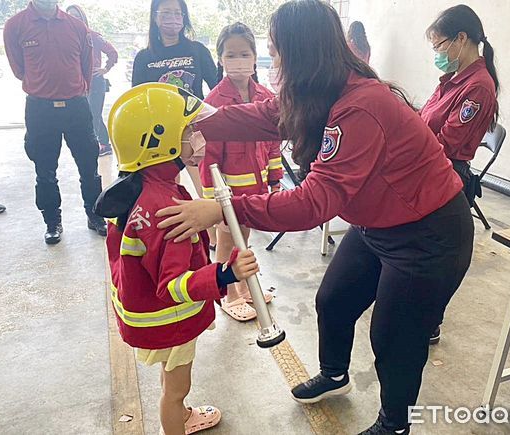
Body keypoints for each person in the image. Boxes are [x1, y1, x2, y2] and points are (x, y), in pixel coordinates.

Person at [155, 1, 474, 434]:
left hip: (427, 234)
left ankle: (395, 424)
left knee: (394, 338)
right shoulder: (320, 88)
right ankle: (335, 375)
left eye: (276, 49)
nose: (274, 59)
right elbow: (269, 116)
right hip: (378, 223)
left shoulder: (359, 105)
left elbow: (313, 203)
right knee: (334, 300)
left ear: (301, 50)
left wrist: (223, 209)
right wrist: (194, 123)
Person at [95, 82, 259, 435]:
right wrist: (226, 274)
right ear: (160, 140)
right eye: (190, 131)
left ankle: (180, 413)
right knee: (175, 390)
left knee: (170, 377)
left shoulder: (136, 189)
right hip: (168, 319)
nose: (198, 138)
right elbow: (172, 286)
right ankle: (176, 420)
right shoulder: (167, 209)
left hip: (144, 312)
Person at [419, 5, 499, 345]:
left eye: (439, 46)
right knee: (418, 250)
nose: (437, 54)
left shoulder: (478, 88)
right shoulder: (451, 80)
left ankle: (428, 321)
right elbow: (425, 121)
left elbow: (446, 144)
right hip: (429, 169)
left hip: (446, 178)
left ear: (461, 39)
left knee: (433, 257)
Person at [3, 0, 106, 245]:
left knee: (89, 166)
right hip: (40, 109)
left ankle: (95, 215)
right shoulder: (15, 25)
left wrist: (75, 93)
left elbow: (86, 65)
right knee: (45, 170)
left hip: (76, 107)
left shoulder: (76, 26)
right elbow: (18, 68)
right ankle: (52, 222)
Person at [199, 22, 282, 322]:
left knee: (243, 239)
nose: (238, 60)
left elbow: (274, 142)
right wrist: (212, 201)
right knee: (226, 240)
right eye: (230, 55)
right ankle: (226, 294)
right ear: (219, 58)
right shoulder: (213, 104)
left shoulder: (264, 95)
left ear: (254, 56)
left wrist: (275, 180)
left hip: (256, 188)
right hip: (227, 193)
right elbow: (208, 158)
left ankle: (245, 286)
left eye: (244, 54)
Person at [132, 0, 218, 223]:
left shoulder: (197, 50)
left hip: (193, 130)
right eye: (166, 13)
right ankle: (176, 233)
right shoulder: (144, 57)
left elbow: (217, 87)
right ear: (155, 17)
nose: (172, 18)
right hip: (160, 134)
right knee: (168, 189)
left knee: (206, 188)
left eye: (177, 13)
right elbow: (137, 99)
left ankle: (213, 236)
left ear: (184, 17)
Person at [66, 5, 119, 157]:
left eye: (76, 16)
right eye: (70, 16)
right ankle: (101, 143)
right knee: (85, 114)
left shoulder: (93, 36)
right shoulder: (66, 38)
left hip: (95, 81)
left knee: (93, 114)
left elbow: (113, 53)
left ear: (83, 18)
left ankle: (98, 144)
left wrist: (105, 69)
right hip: (78, 82)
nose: (73, 19)